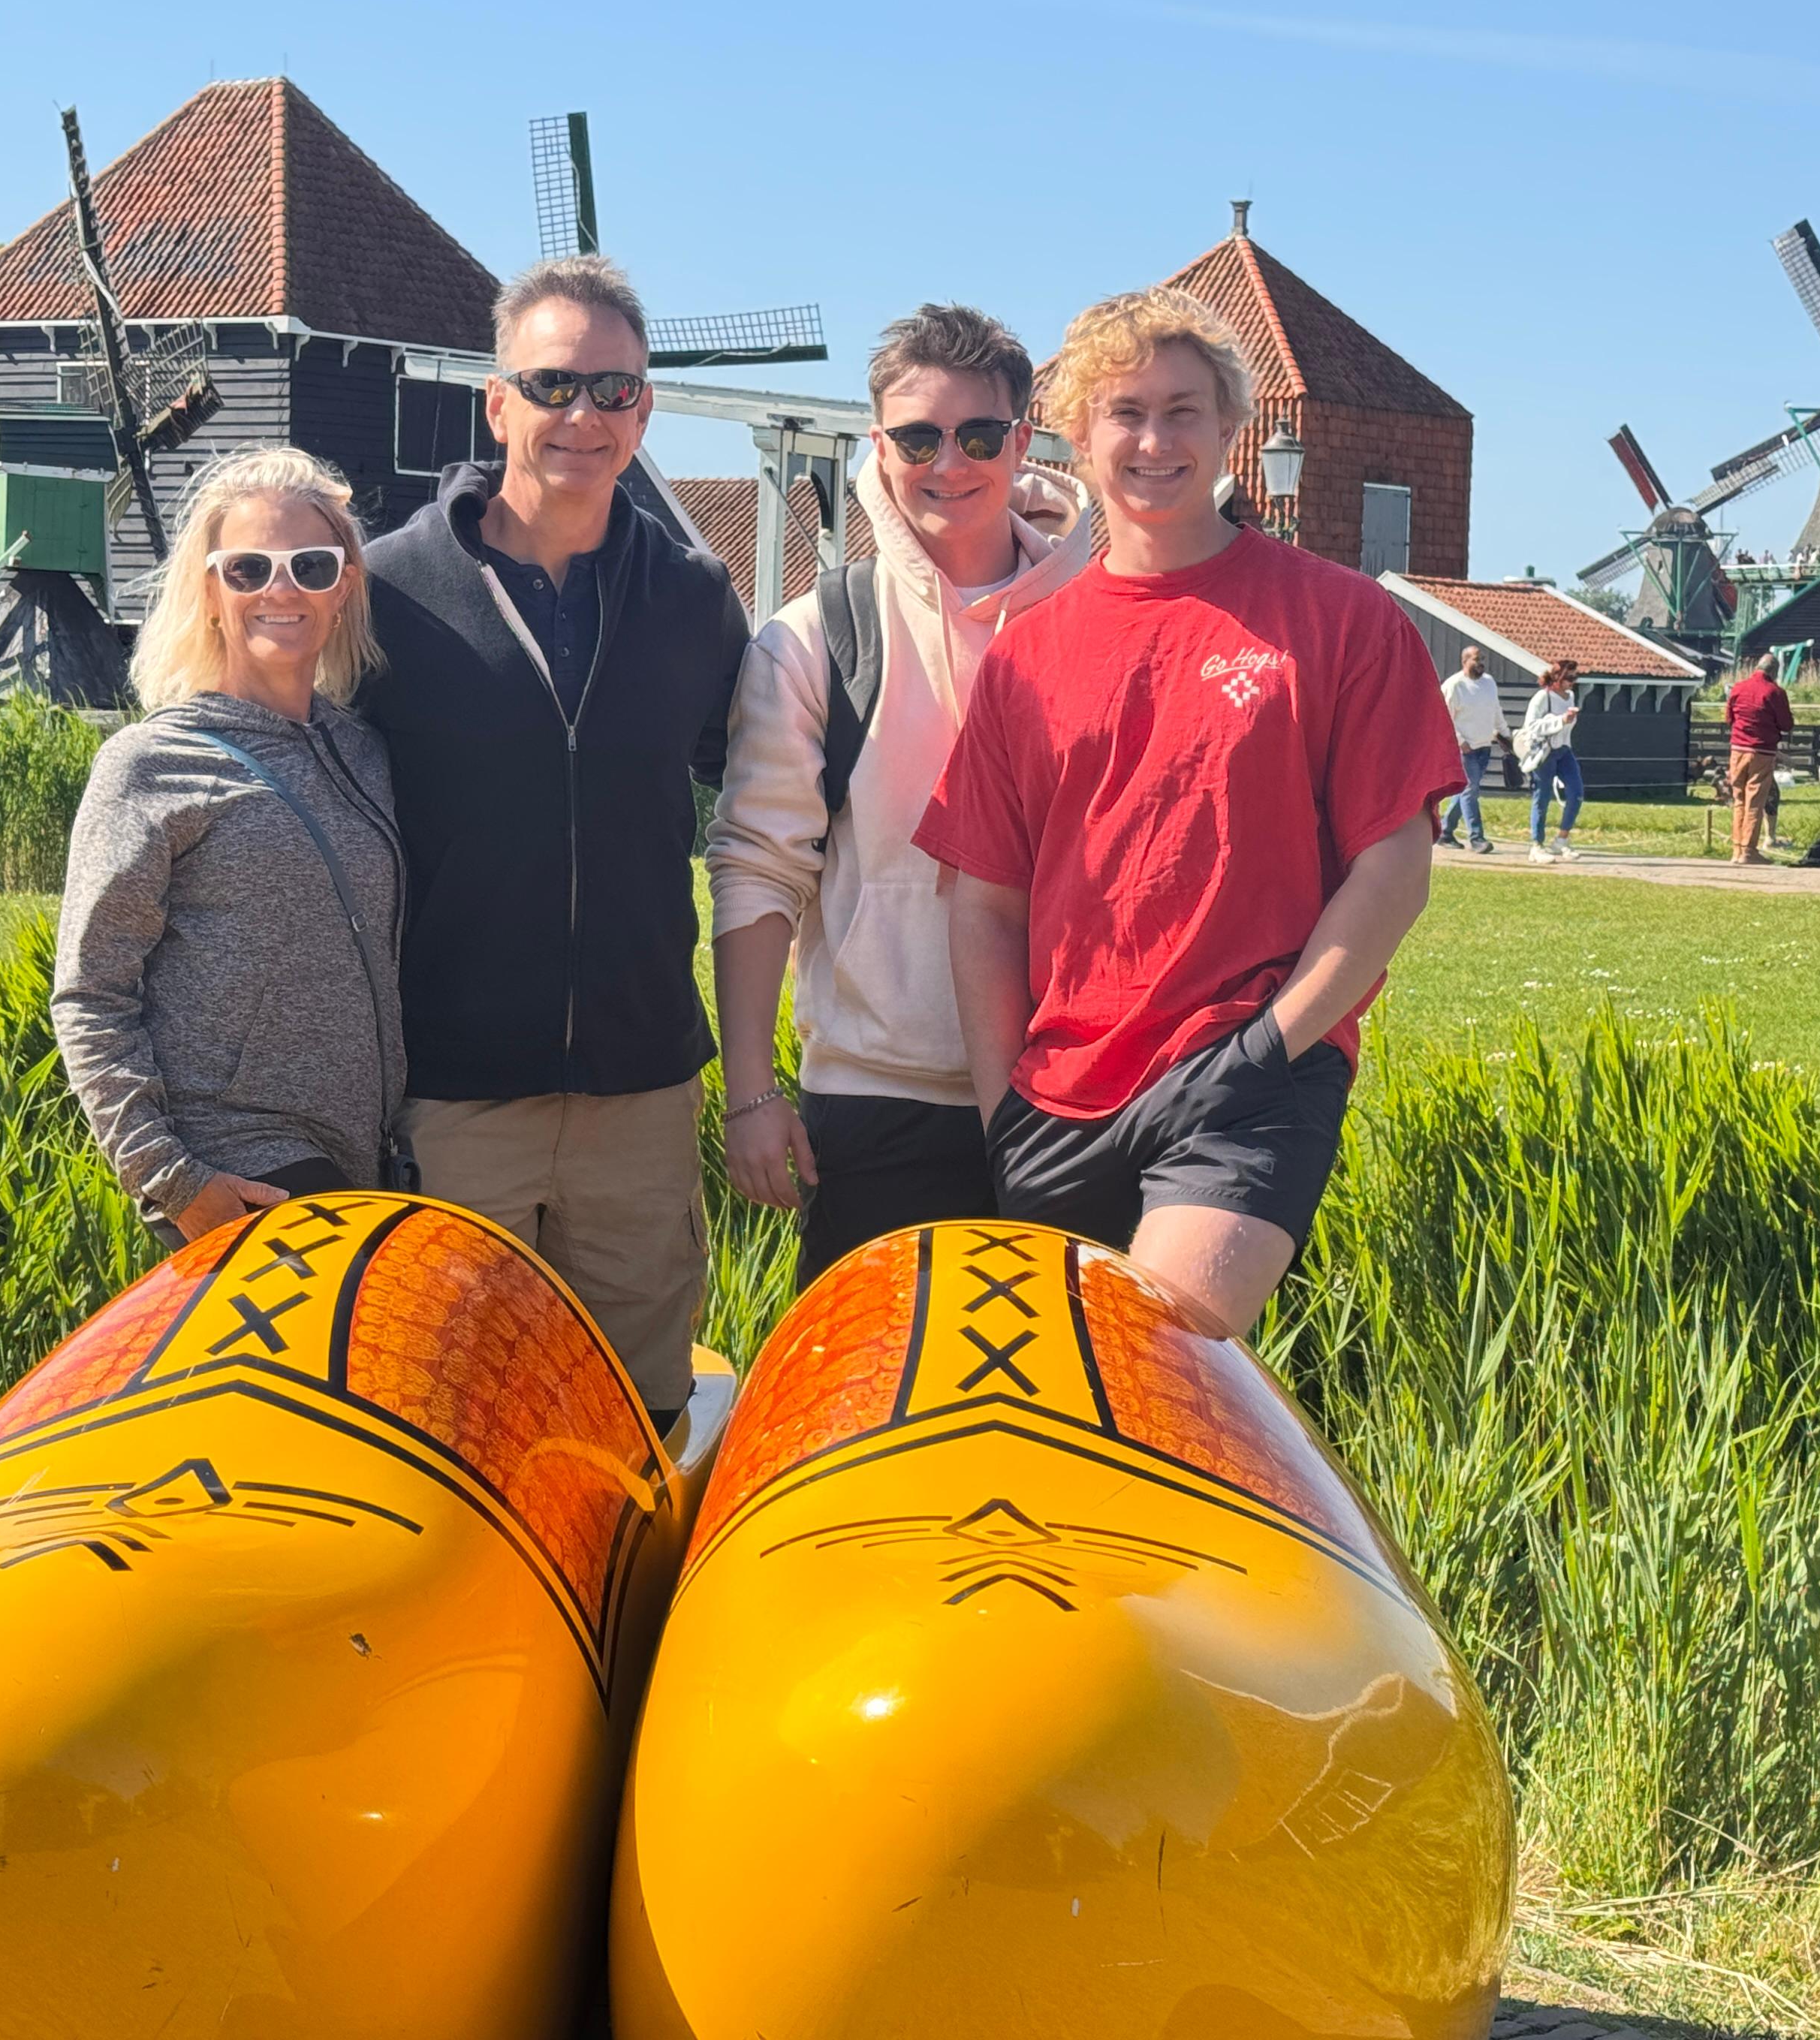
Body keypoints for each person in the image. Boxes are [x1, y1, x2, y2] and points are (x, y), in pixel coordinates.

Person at [916, 289, 1461, 1341]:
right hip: (1059, 1091)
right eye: (1126, 412)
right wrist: (1004, 1111)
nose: (1155, 440)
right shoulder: (1028, 652)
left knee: (1158, 1357)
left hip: (1244, 1066)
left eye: (1183, 411)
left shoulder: (1340, 619)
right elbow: (984, 901)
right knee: (1066, 1413)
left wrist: (1274, 1050)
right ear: (1077, 434)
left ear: (1230, 430)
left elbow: (1395, 867)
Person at [358, 257, 750, 1426]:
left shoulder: (693, 596)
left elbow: (777, 795)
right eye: (555, 384)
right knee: (452, 1409)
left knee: (640, 1417)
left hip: (641, 1088)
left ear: (646, 409)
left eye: (615, 391)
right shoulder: (390, 594)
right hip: (455, 1093)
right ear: (498, 403)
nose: (584, 415)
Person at [707, 306, 1085, 1282]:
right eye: (918, 436)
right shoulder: (817, 638)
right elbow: (759, 864)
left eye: (978, 435)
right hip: (882, 1101)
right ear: (879, 444)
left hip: (1080, 1091)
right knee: (868, 1416)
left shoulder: (1101, 618)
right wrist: (752, 1091)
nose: (948, 462)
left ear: (1023, 439)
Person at [53, 446, 405, 1249]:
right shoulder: (151, 765)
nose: (280, 588)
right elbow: (91, 992)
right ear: (210, 592)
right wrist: (174, 1181)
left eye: (310, 566)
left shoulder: (365, 755)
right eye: (248, 568)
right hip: (245, 1177)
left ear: (344, 586)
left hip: (365, 1167)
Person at [1724, 650, 1792, 866]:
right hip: (1761, 752)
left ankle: (1737, 850)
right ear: (1774, 672)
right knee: (1755, 802)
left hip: (1737, 750)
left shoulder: (1738, 688)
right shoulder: (1775, 692)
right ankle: (1749, 851)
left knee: (1739, 800)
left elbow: (1729, 718)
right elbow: (1786, 724)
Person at [1439, 643, 1506, 851]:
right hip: (1464, 749)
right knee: (1471, 790)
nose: (1481, 664)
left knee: (1467, 791)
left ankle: (1445, 832)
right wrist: (1460, 741)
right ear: (1465, 661)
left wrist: (1505, 734)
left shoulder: (1489, 683)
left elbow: (1496, 710)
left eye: (1483, 660)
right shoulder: (1454, 685)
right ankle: (1477, 838)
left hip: (1485, 745)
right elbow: (1444, 718)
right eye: (1477, 659)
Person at [1518, 661, 1584, 862]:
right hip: (1544, 753)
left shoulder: (1571, 696)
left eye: (1575, 678)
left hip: (1564, 750)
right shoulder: (1542, 697)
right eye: (1569, 678)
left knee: (1577, 792)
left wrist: (1568, 721)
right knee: (1542, 797)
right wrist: (1560, 721)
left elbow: (1566, 728)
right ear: (1557, 678)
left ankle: (1561, 840)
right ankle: (1536, 845)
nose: (1573, 683)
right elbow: (1531, 726)